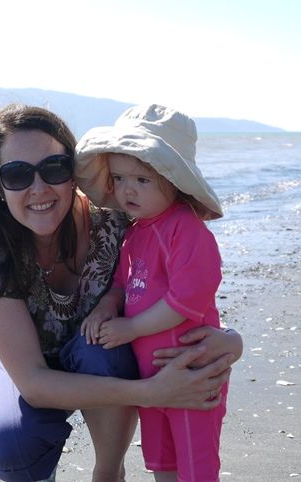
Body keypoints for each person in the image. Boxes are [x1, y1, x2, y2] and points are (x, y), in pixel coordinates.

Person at [0, 103, 242, 482]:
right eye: (17, 174)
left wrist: (231, 341)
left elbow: (183, 283)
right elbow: (33, 383)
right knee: (10, 441)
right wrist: (152, 392)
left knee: (101, 348)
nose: (39, 188)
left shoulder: (119, 220)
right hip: (28, 363)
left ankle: (108, 472)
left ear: (73, 173)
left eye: (54, 168)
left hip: (103, 353)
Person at [76, 104, 229, 482]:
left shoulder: (186, 229)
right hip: (152, 380)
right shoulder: (135, 232)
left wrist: (131, 329)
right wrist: (107, 306)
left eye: (142, 179)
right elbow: (122, 283)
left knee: (196, 468)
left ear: (175, 180)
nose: (128, 189)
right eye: (119, 178)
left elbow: (186, 300)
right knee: (162, 463)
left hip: (193, 372)